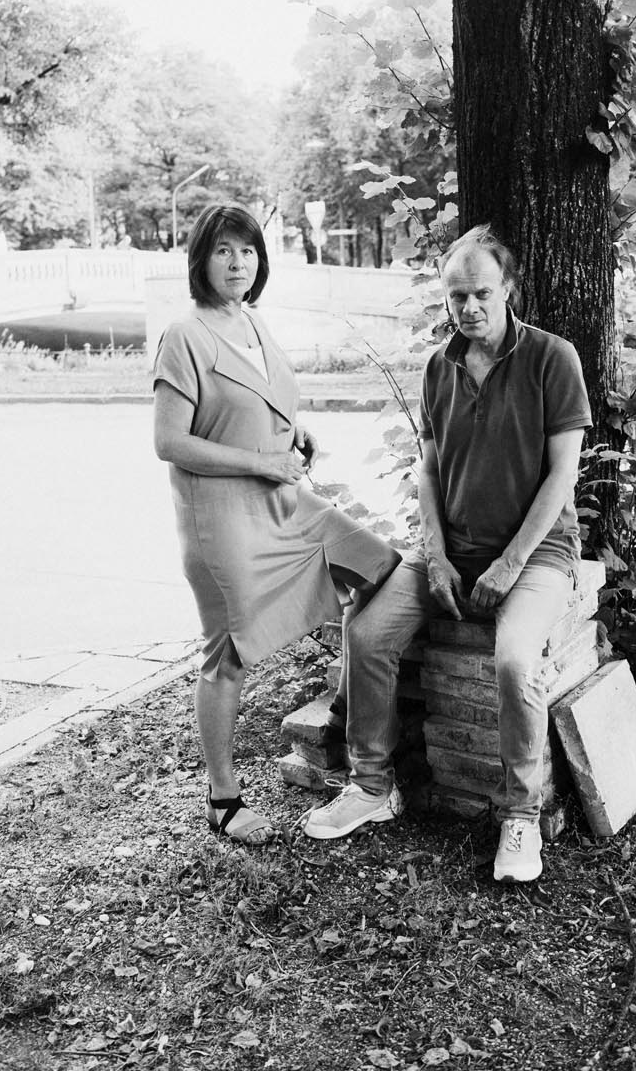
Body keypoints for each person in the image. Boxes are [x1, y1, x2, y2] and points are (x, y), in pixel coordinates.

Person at [303, 226, 592, 883]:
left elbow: (562, 476)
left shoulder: (552, 358)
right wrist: (433, 555)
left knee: (515, 661)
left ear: (508, 288)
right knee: (367, 634)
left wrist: (509, 565)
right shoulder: (439, 367)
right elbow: (429, 471)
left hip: (537, 554)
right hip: (450, 551)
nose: (469, 307)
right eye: (457, 295)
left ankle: (520, 814)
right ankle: (372, 786)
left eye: (481, 292)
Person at [153, 204, 400, 845]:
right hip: (222, 520)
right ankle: (223, 799)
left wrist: (293, 431)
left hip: (283, 501)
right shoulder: (185, 335)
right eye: (223, 250)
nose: (238, 263)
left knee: (378, 568)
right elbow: (170, 442)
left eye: (248, 251)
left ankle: (346, 712)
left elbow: (258, 401)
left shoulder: (252, 321)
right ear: (201, 260)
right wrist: (262, 460)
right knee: (227, 655)